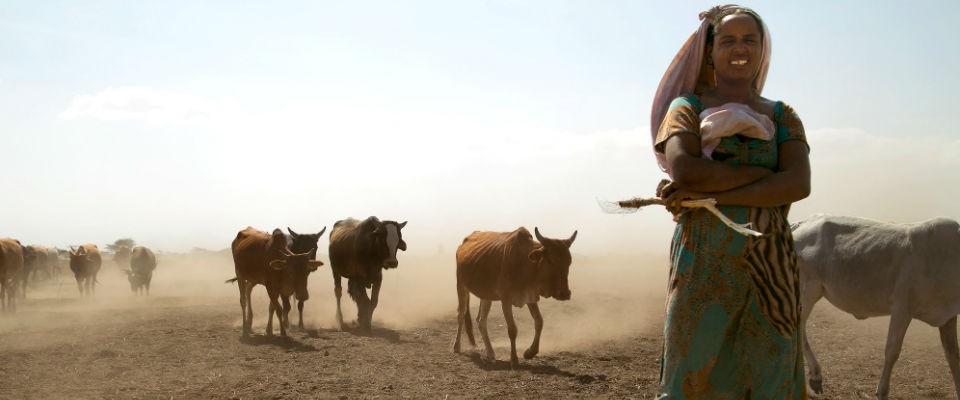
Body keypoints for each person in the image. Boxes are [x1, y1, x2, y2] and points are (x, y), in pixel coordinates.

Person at [650, 5, 811, 399]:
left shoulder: (782, 115)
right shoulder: (687, 108)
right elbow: (685, 170)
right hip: (703, 262)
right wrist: (765, 177)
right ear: (710, 52)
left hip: (768, 266)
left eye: (749, 40)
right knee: (692, 370)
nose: (740, 48)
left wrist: (714, 194)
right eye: (728, 40)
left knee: (770, 369)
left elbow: (798, 184)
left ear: (761, 50)